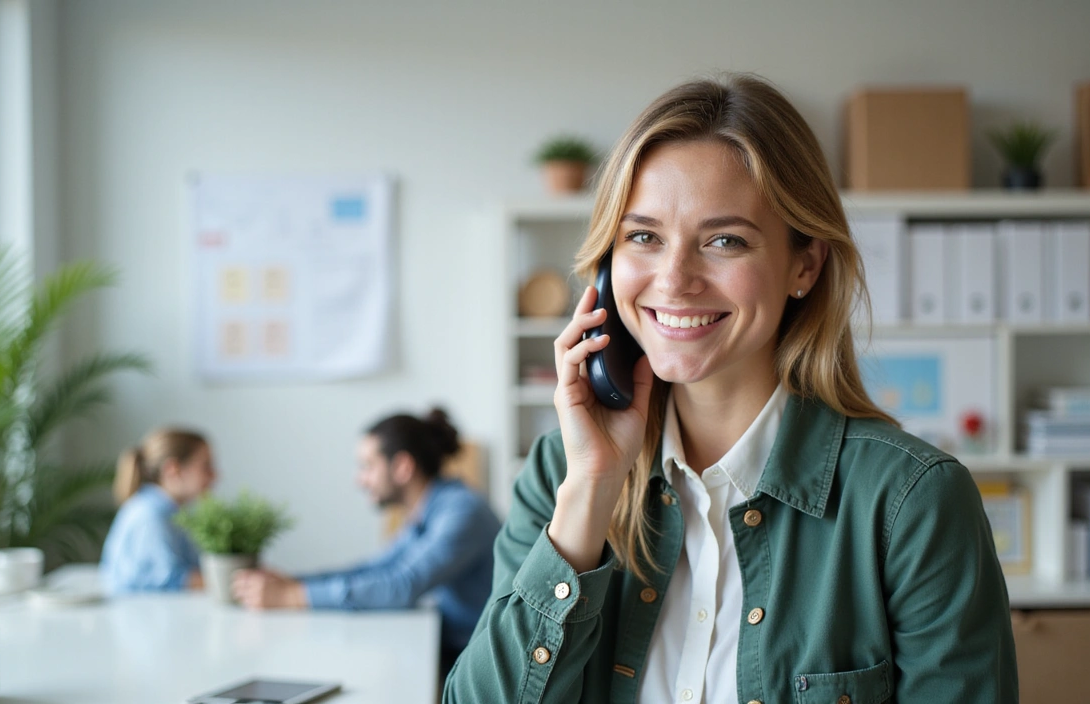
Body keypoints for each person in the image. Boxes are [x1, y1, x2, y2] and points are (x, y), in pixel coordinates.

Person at [444, 75, 1016, 702]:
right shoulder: (562, 471)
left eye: (725, 241)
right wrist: (589, 496)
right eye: (643, 236)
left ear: (805, 264)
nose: (675, 279)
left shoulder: (912, 501)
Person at [231, 408, 501, 672]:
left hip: (479, 662)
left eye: (368, 466)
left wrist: (294, 596)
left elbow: (402, 586)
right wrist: (295, 583)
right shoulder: (430, 509)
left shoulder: (462, 511)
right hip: (452, 647)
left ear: (403, 467)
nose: (359, 480)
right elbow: (377, 568)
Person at [100, 427, 217, 594]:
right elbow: (173, 579)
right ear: (173, 470)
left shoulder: (174, 512)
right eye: (206, 467)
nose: (215, 475)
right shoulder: (149, 515)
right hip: (142, 613)